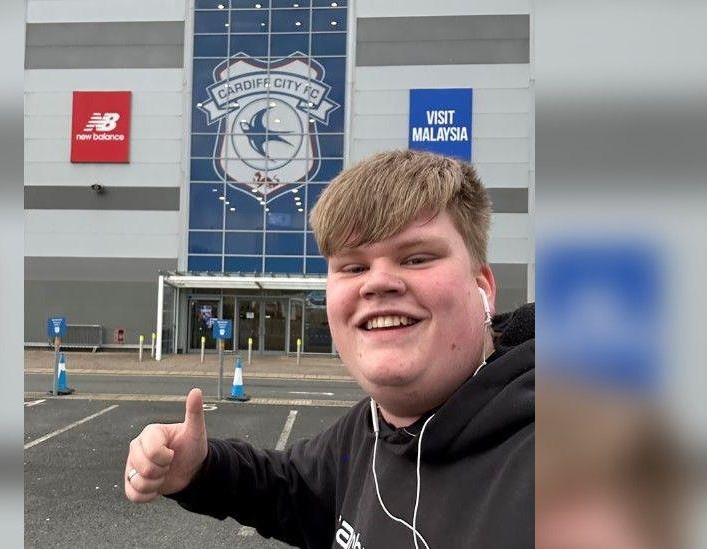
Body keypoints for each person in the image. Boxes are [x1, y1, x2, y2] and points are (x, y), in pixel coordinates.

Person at [123, 150, 534, 549]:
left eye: (416, 258)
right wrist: (203, 468)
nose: (377, 283)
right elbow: (291, 487)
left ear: (483, 286)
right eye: (354, 267)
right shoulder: (368, 431)